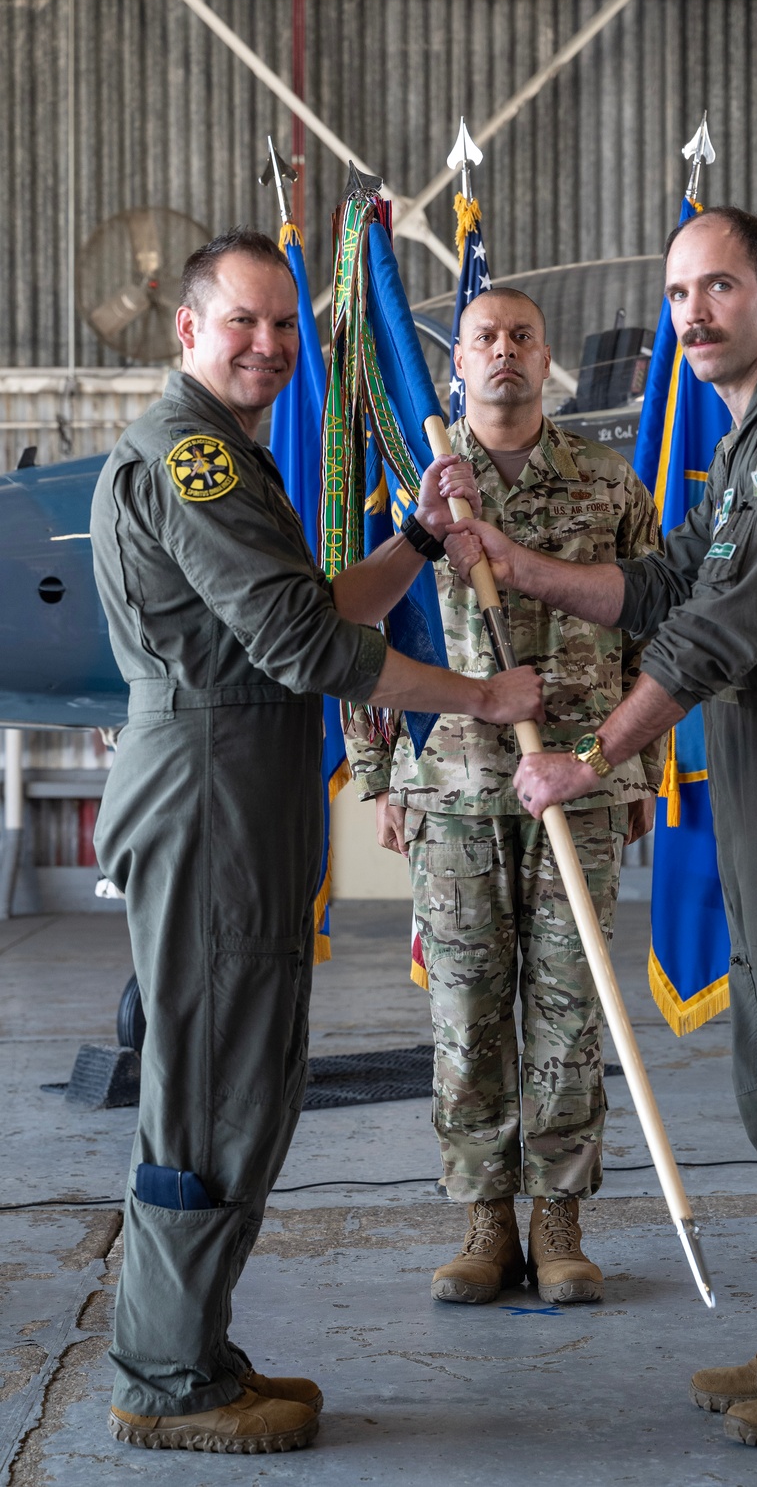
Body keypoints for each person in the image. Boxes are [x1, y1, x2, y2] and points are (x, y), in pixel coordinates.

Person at [447, 211, 757, 1449]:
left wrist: (591, 755)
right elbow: (663, 586)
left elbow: (721, 632)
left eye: (719, 287)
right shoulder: (746, 441)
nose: (693, 312)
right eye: (676, 293)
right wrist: (516, 559)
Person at [89, 229, 543, 1456]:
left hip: (243, 784)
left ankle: (194, 1346)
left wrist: (421, 542)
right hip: (208, 792)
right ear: (188, 328)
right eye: (245, 321)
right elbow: (307, 653)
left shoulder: (231, 460)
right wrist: (480, 699)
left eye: (287, 326)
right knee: (205, 1087)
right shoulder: (192, 457)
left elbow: (307, 612)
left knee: (246, 1078)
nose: (272, 346)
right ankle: (165, 1379)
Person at [346, 288, 663, 1308]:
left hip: (579, 776)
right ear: (457, 364)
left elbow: (651, 628)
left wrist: (640, 767)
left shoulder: (607, 481)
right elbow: (368, 633)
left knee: (572, 1010)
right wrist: (383, 770)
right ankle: (484, 1222)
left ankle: (558, 1222)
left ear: (545, 357)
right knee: (467, 1012)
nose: (503, 353)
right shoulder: (423, 489)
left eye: (521, 337)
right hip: (455, 785)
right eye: (484, 338)